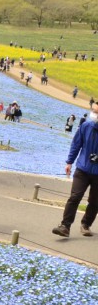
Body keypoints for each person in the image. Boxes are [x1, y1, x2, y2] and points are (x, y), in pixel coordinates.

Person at [52, 102, 98, 237]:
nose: (93, 114)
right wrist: (69, 162)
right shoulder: (86, 126)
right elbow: (76, 144)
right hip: (82, 168)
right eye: (93, 110)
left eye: (97, 112)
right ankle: (65, 226)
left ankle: (86, 224)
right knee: (75, 196)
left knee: (95, 201)